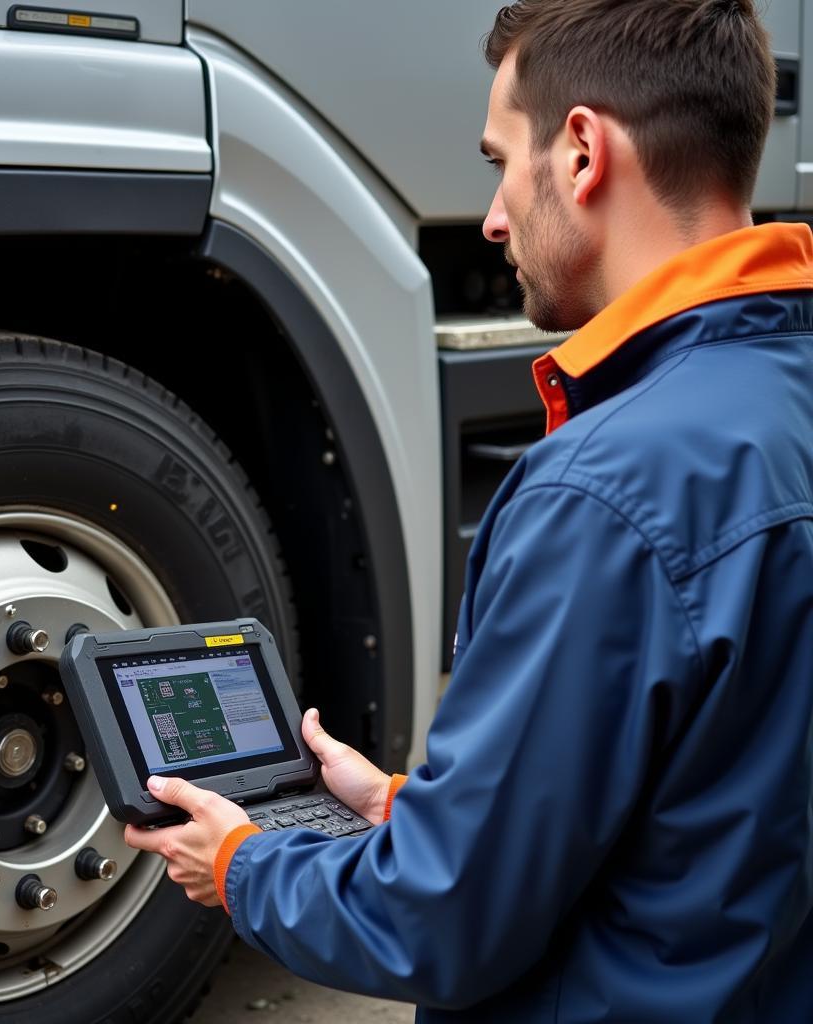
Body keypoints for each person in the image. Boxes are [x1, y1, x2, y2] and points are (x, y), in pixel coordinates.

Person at [125, 1, 813, 1019]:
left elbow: (435, 920)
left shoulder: (604, 490)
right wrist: (410, 810)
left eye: (500, 160)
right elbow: (717, 799)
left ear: (580, 152)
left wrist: (240, 862)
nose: (492, 217)